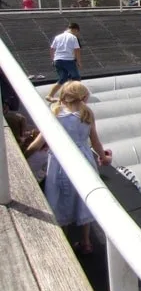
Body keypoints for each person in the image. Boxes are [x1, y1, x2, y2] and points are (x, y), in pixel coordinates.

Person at [25, 81, 112, 254]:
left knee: (59, 198)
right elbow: (95, 141)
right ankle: (86, 242)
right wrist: (104, 157)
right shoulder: (87, 114)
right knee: (83, 197)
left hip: (60, 159)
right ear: (84, 97)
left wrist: (25, 154)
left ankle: (65, 243)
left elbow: (39, 142)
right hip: (83, 158)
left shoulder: (55, 113)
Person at [46, 23, 81, 103]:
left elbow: (52, 48)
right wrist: (78, 61)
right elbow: (77, 50)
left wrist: (53, 59)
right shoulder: (73, 37)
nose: (77, 34)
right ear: (75, 29)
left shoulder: (58, 37)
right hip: (68, 60)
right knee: (76, 77)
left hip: (58, 60)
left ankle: (50, 95)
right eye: (77, 32)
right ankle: (74, 96)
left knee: (63, 78)